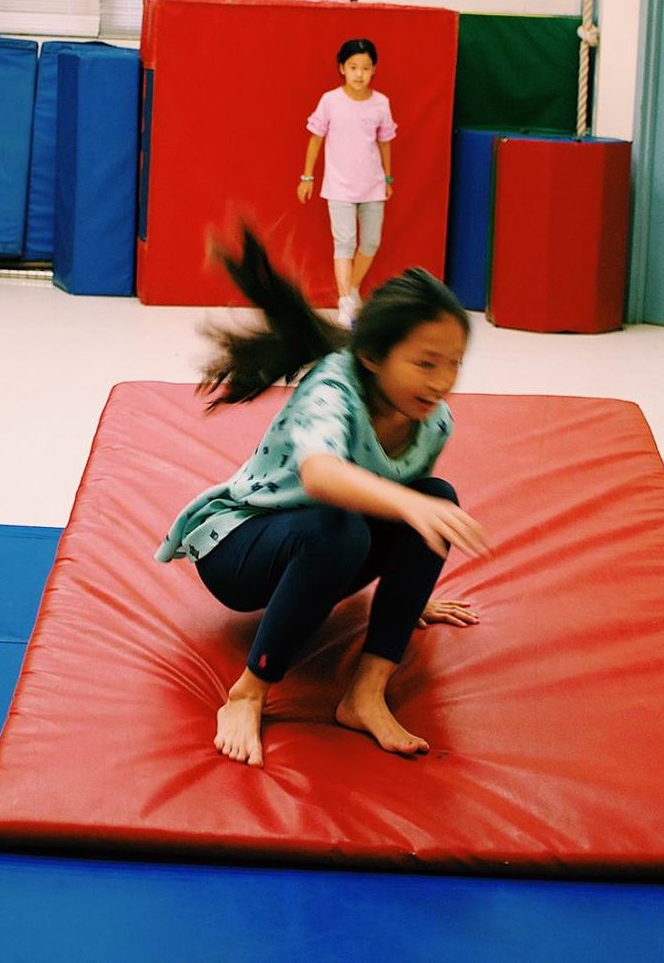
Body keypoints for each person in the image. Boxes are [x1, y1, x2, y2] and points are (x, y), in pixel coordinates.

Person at [157, 228, 488, 768]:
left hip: (321, 548)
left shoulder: (433, 422)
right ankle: (248, 693)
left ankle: (365, 693)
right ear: (375, 357)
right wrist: (409, 508)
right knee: (346, 525)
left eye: (452, 363)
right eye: (426, 363)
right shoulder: (333, 387)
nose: (442, 381)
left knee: (436, 499)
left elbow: (407, 506)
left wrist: (409, 592)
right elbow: (321, 476)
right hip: (240, 551)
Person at [297, 38, 395, 327]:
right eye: (353, 67)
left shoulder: (381, 103)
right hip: (338, 186)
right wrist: (307, 177)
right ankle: (345, 301)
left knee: (371, 241)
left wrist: (388, 177)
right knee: (345, 242)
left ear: (374, 69)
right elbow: (316, 139)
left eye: (365, 68)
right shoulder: (330, 101)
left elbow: (385, 143)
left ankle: (351, 289)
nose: (359, 74)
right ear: (342, 68)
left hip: (373, 185)